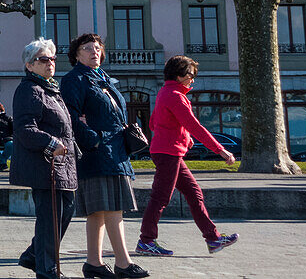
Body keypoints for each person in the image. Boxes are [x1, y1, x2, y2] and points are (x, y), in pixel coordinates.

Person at [61, 33, 148, 279]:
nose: (94, 51)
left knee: (99, 211)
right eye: (87, 48)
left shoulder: (104, 78)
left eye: (97, 48)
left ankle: (93, 263)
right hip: (98, 153)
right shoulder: (74, 79)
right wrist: (94, 139)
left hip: (115, 150)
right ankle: (122, 262)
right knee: (112, 208)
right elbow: (70, 116)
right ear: (76, 54)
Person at [137, 55, 238, 256]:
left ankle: (213, 238)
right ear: (179, 75)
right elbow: (194, 125)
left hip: (169, 151)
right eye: (190, 75)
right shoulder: (175, 96)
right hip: (168, 153)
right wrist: (220, 149)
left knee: (194, 193)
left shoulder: (165, 92)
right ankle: (146, 241)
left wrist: (184, 137)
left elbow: (153, 123)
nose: (193, 80)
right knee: (160, 197)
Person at [12, 38, 78, 279]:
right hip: (44, 164)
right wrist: (51, 142)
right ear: (30, 65)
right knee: (50, 218)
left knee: (66, 212)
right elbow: (24, 128)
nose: (50, 63)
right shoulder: (29, 89)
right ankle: (48, 270)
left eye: (52, 58)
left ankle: (33, 255)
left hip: (63, 164)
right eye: (43, 59)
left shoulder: (51, 88)